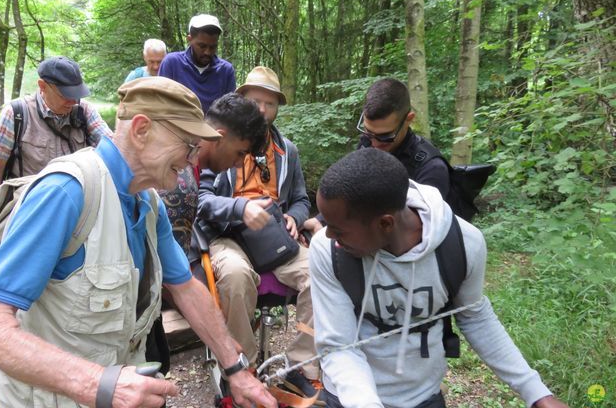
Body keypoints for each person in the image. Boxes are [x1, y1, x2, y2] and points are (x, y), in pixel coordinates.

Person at [0, 76, 277, 408]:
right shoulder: (67, 192)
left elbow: (185, 287)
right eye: (188, 145)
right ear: (141, 130)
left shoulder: (148, 203)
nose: (194, 160)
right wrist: (98, 384)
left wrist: (234, 367)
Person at [309, 148, 569, 408]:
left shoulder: (463, 244)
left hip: (425, 397)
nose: (328, 235)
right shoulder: (328, 250)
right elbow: (339, 346)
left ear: (385, 224)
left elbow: (475, 316)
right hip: (349, 399)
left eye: (339, 229)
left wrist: (537, 394)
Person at [196, 66, 320, 394]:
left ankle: (301, 366)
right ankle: (244, 367)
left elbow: (299, 197)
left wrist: (294, 215)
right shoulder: (215, 145)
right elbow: (202, 201)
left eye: (271, 103)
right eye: (255, 101)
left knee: (319, 272)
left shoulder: (287, 150)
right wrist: (239, 208)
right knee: (236, 276)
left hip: (272, 233)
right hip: (228, 233)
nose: (263, 110)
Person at [303, 77, 450, 236]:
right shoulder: (367, 143)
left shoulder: (431, 169)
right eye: (368, 132)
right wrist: (322, 220)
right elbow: (351, 194)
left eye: (385, 137)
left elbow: (421, 235)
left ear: (408, 120)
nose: (374, 143)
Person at [0, 56, 111, 206]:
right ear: (42, 86)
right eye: (65, 95)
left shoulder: (85, 111)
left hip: (76, 206)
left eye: (77, 94)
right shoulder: (16, 113)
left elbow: (111, 147)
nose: (73, 101)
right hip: (27, 206)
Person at [160, 92, 267, 259]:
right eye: (240, 153)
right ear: (220, 137)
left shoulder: (185, 161)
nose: (239, 163)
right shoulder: (182, 183)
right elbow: (170, 271)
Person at [158, 14, 235, 113]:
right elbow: (160, 103)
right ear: (189, 40)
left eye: (212, 47)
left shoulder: (225, 71)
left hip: (212, 127)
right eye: (202, 46)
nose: (207, 52)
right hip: (178, 125)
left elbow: (229, 112)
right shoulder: (172, 63)